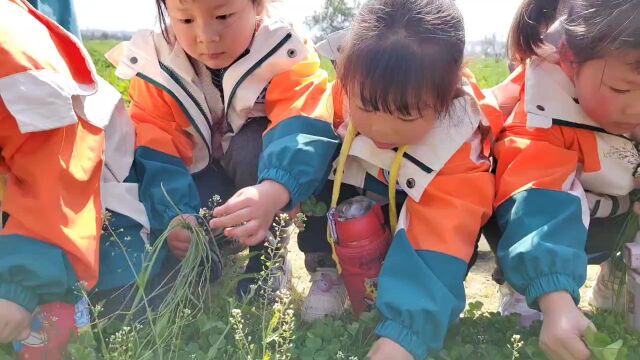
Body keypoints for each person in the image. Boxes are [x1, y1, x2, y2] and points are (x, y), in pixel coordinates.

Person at [107, 0, 338, 297]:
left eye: (223, 15)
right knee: (183, 236)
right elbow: (156, 144)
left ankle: (265, 255)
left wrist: (275, 189)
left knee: (249, 150)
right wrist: (176, 213)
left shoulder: (283, 49)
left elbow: (302, 123)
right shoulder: (155, 63)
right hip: (202, 177)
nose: (206, 36)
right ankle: (206, 250)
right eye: (186, 20)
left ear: (258, 5)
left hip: (261, 179)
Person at [314, 0, 497, 358]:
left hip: (422, 213)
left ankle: (410, 299)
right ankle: (328, 272)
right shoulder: (345, 86)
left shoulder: (459, 138)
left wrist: (404, 335)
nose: (381, 128)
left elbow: (442, 233)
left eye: (406, 113)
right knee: (315, 161)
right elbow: (301, 134)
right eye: (365, 106)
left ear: (451, 90)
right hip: (376, 193)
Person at [493, 0, 640, 359]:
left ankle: (621, 274)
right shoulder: (542, 109)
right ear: (570, 60)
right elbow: (536, 194)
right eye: (623, 90)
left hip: (617, 206)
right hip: (541, 213)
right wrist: (553, 297)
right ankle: (526, 285)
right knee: (524, 199)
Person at [0, 0, 106, 344]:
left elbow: (59, 175)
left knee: (40, 324)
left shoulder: (20, 62)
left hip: (66, 170)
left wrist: (20, 286)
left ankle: (58, 303)